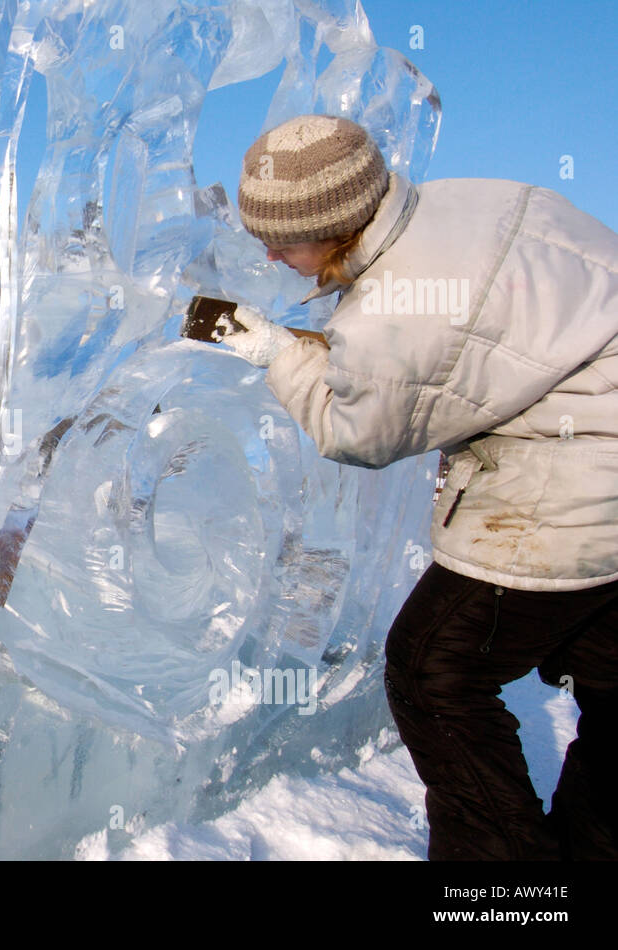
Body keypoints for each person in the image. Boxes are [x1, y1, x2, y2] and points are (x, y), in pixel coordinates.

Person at [220, 114, 618, 860]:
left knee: (435, 673)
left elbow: (358, 433)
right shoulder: (475, 200)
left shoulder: (394, 314)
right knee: (609, 676)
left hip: (584, 484)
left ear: (337, 226)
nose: (270, 253)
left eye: (281, 239)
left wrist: (271, 348)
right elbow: (476, 336)